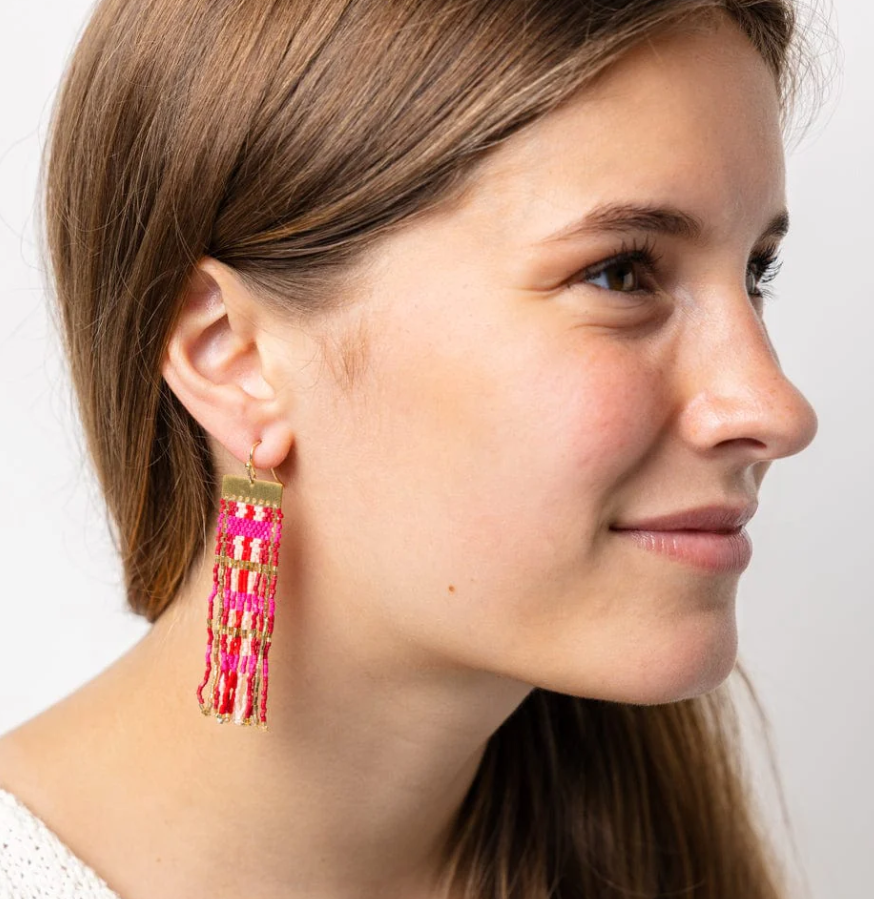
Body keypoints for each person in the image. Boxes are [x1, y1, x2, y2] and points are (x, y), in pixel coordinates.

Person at [0, 0, 823, 897]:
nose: (776, 407)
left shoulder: (659, 855)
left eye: (756, 272)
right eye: (620, 273)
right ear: (233, 356)